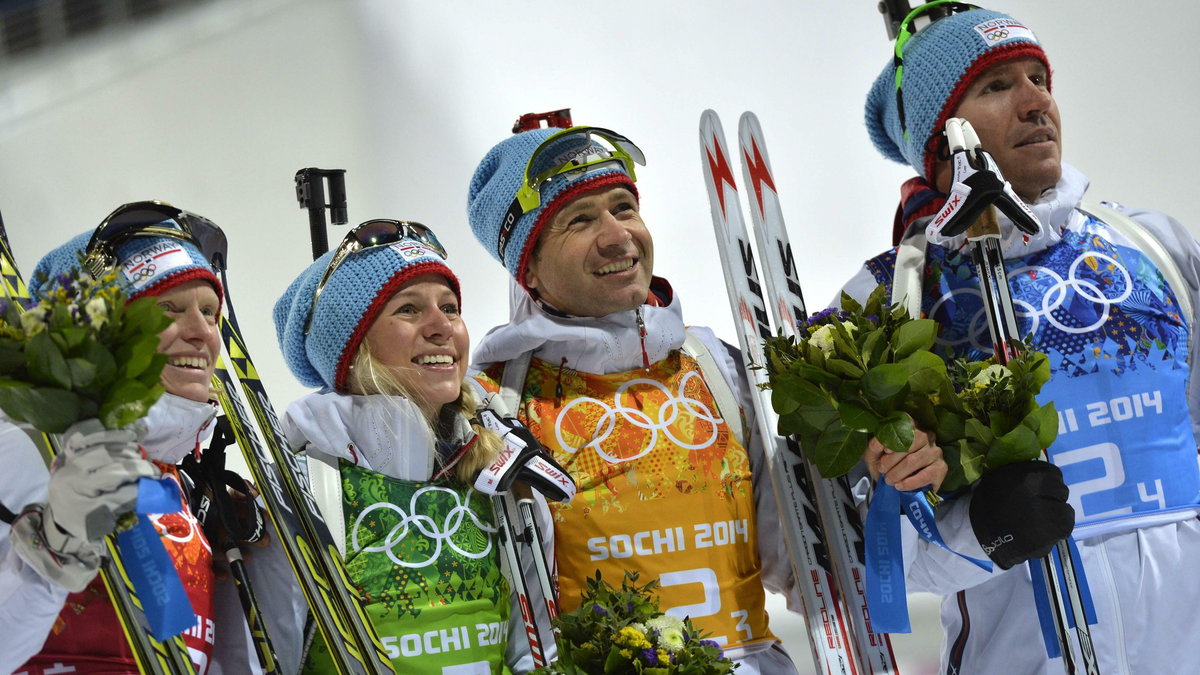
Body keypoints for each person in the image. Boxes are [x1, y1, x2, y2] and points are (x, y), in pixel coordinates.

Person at [464, 121, 948, 672]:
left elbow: (808, 558)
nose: (617, 235)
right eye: (578, 220)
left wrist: (884, 488)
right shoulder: (493, 405)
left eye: (624, 208)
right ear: (527, 269)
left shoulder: (716, 366)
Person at [849, 3, 1200, 673]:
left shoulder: (1156, 247)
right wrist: (984, 531)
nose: (1039, 100)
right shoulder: (892, 300)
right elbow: (874, 563)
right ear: (939, 136)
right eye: (998, 85)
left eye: (1040, 77)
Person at [0, 202, 304, 674]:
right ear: (102, 334)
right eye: (168, 308)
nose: (203, 332)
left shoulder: (183, 482)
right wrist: (54, 546)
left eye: (209, 310)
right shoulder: (28, 453)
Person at [273, 219, 552, 674]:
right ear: (353, 346)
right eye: (408, 309)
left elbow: (533, 654)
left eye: (450, 307)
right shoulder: (302, 486)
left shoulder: (500, 472)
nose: (442, 327)